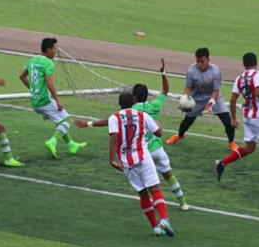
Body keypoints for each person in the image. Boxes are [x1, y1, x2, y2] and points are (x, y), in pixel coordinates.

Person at [75, 58, 190, 210]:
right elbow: (165, 91)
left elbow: (110, 121)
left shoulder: (131, 110)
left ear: (134, 97)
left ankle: (153, 203)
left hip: (143, 152)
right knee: (168, 174)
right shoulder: (154, 105)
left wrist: (89, 123)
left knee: (146, 182)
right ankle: (183, 203)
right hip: (157, 148)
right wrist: (163, 73)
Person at [109, 92, 175, 237]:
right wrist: (158, 125)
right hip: (143, 157)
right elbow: (158, 133)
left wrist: (111, 159)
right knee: (155, 190)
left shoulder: (114, 118)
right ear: (133, 102)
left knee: (143, 193)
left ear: (119, 103)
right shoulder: (142, 115)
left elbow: (114, 138)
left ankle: (155, 227)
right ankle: (164, 219)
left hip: (127, 162)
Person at [215, 52, 259, 185]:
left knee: (249, 148)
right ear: (256, 63)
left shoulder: (239, 78)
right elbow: (258, 92)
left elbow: (232, 100)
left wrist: (233, 118)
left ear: (244, 64)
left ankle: (223, 163)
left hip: (247, 117)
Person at [19, 38, 86, 159]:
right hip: (45, 100)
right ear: (48, 49)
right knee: (65, 121)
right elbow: (49, 83)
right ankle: (52, 141)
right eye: (54, 48)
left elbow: (21, 76)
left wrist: (33, 89)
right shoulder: (48, 63)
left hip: (35, 100)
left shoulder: (32, 60)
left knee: (60, 121)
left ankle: (71, 145)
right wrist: (58, 100)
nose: (55, 51)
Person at [165, 47, 237, 151]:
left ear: (208, 60)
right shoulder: (191, 70)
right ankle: (180, 135)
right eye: (197, 61)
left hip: (214, 97)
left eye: (202, 62)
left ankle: (231, 141)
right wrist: (186, 98)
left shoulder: (215, 71)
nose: (199, 64)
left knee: (226, 120)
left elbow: (216, 90)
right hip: (197, 98)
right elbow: (188, 87)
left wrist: (211, 102)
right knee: (187, 120)